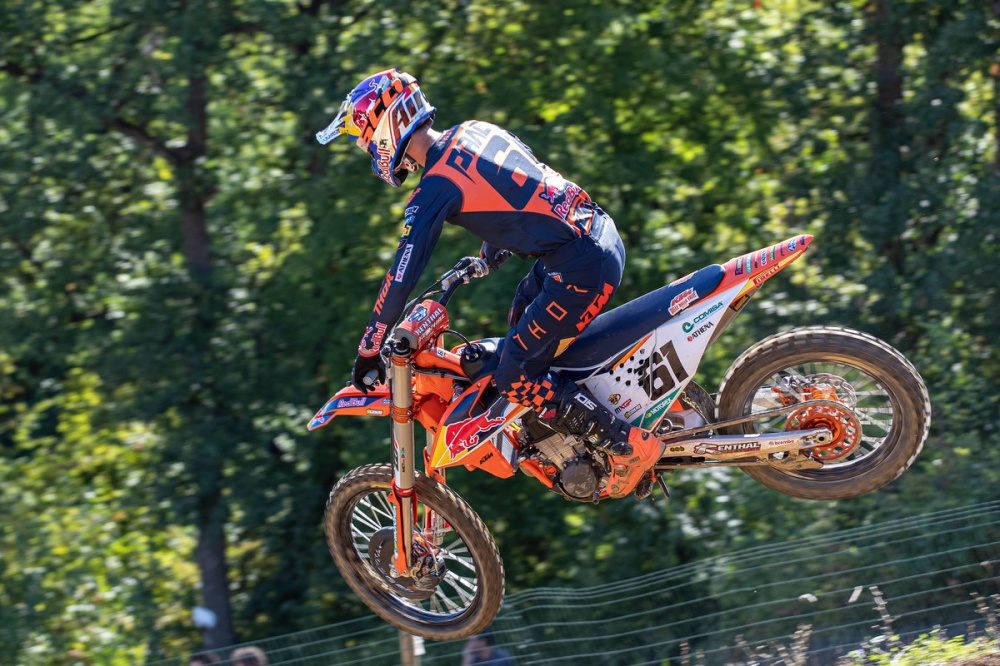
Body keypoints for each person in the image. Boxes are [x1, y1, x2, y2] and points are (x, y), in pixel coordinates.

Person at [315, 68, 664, 498]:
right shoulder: (474, 130)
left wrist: (370, 346)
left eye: (364, 137)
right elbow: (524, 184)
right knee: (521, 317)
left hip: (579, 266)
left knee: (516, 376)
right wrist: (491, 249)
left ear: (385, 128)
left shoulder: (434, 187)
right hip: (594, 234)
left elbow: (402, 273)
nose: (366, 147)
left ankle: (625, 445)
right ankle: (585, 431)